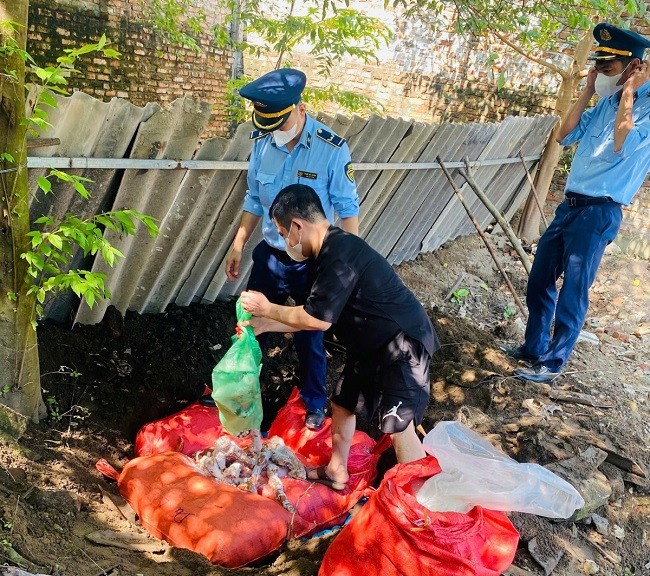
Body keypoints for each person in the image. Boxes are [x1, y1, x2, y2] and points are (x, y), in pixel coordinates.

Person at [239, 184, 440, 490]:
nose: (284, 242)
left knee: (398, 425)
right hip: (369, 346)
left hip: (402, 344)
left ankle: (416, 506)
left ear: (297, 226)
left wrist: (268, 308)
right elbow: (315, 316)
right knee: (343, 404)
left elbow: (316, 320)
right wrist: (266, 324)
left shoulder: (340, 256)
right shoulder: (326, 255)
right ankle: (336, 470)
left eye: (282, 234)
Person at [506, 23, 650, 384]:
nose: (601, 73)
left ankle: (553, 363)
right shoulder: (604, 103)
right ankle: (533, 348)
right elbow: (564, 134)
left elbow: (622, 139)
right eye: (599, 66)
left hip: (599, 210)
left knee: (573, 287)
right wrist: (588, 90)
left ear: (635, 66)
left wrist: (629, 90)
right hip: (569, 206)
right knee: (540, 279)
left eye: (608, 68)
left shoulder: (641, 109)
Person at [225, 68, 360, 429]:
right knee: (247, 322)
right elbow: (254, 198)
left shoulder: (331, 149)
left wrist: (348, 266)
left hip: (310, 262)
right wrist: (238, 243)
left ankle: (314, 402)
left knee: (309, 333)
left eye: (280, 122)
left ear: (300, 107)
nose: (275, 131)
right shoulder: (261, 143)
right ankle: (237, 391)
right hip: (270, 256)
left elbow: (347, 210)